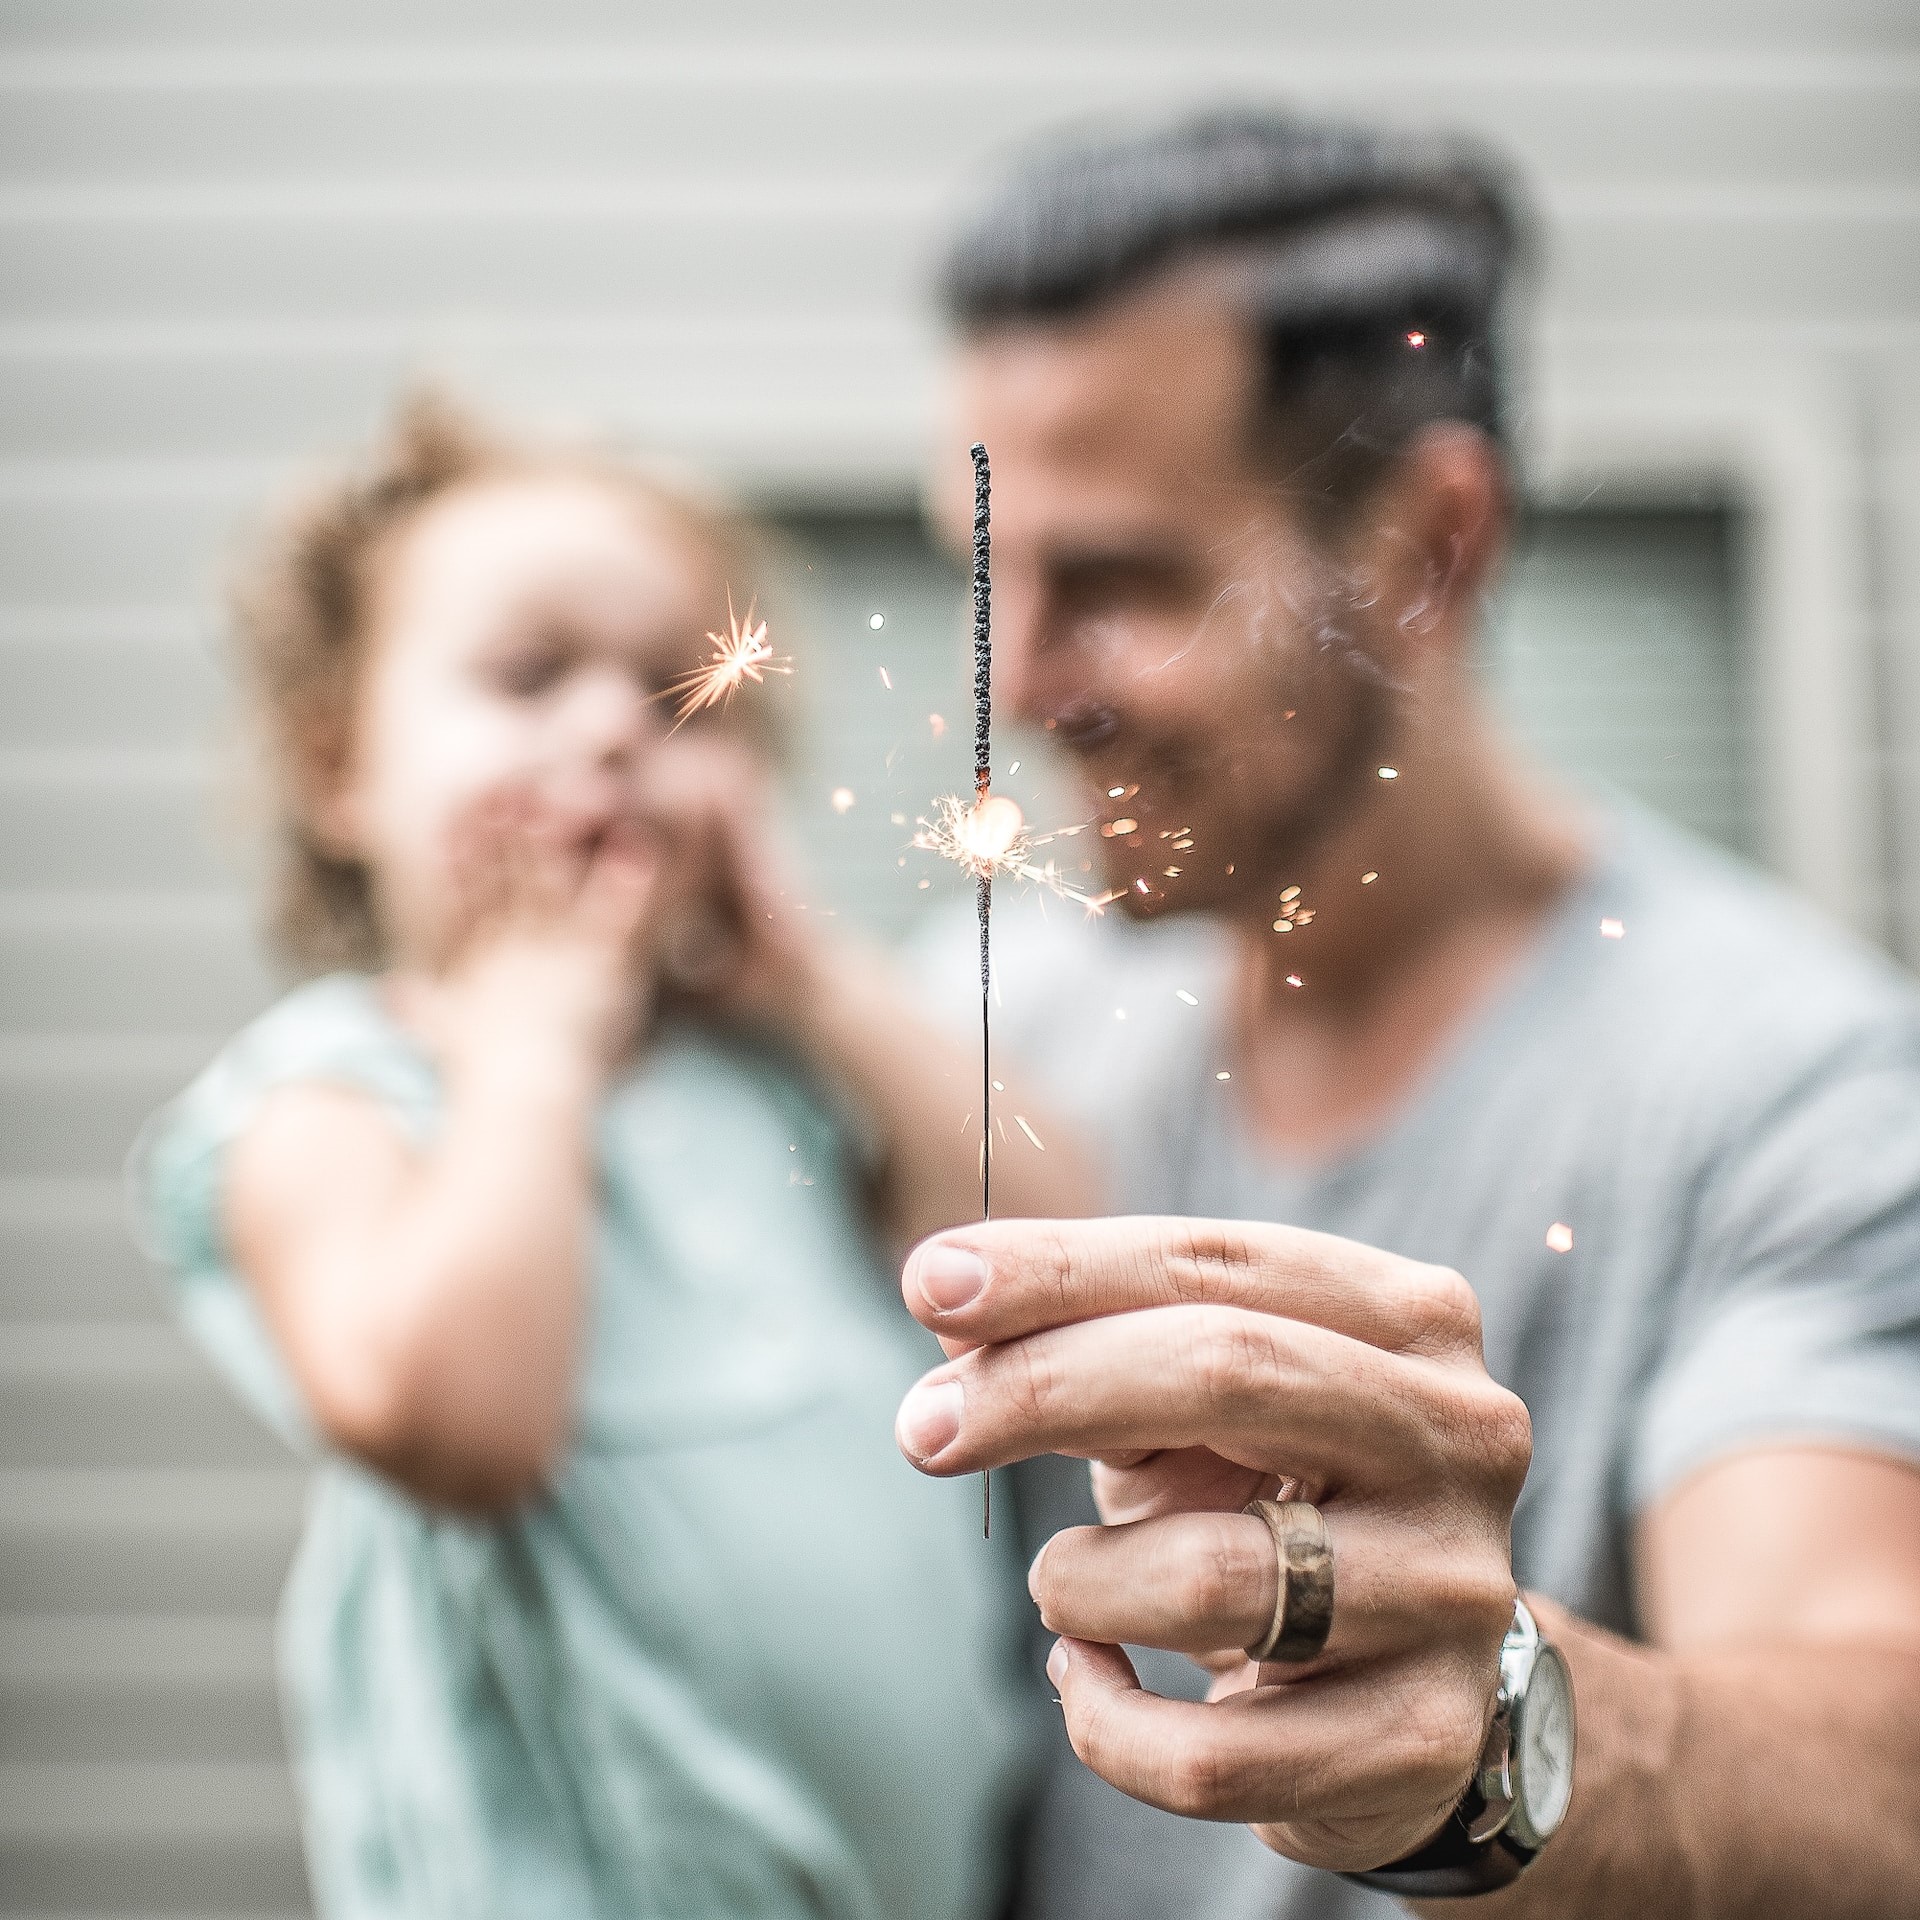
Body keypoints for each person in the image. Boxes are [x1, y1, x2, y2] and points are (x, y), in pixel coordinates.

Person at [897, 113, 1920, 1918]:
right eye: (991, 570)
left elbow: (1879, 1779)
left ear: (1430, 550)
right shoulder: (1001, 1011)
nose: (1023, 684)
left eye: (1122, 581)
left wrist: (1493, 1733)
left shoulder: (1787, 1084)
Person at [131, 397, 1071, 1920]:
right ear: (338, 769)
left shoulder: (774, 1080)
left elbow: (1063, 1251)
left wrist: (816, 981)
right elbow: (457, 1422)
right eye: (527, 676)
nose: (612, 731)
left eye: (679, 696)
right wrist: (529, 1047)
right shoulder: (333, 1101)